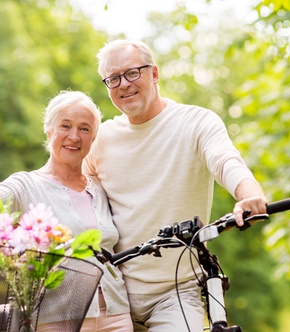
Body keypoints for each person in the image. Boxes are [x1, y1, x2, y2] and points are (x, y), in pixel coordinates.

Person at [82, 39, 269, 332]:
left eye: (132, 73)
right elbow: (71, 186)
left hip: (176, 293)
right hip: (111, 289)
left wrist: (250, 195)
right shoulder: (102, 138)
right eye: (113, 78)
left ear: (154, 73)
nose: (123, 85)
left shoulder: (195, 122)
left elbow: (225, 160)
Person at [0, 90, 133, 332]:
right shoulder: (27, 185)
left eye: (84, 129)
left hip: (116, 316)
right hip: (56, 318)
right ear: (49, 130)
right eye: (66, 126)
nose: (74, 136)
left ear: (93, 138)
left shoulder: (100, 190)